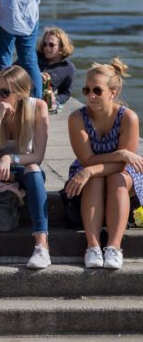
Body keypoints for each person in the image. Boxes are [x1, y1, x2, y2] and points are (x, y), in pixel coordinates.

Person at [66, 59, 143, 270]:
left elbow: (121, 166)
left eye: (97, 91)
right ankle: (92, 246)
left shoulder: (128, 118)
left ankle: (114, 247)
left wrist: (91, 170)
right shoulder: (76, 118)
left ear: (113, 92)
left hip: (122, 173)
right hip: (87, 169)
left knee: (115, 178)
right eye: (86, 90)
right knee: (95, 180)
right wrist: (118, 154)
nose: (90, 96)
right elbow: (86, 160)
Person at [0, 65, 50, 269]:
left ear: (20, 94)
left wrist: (10, 159)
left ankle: (42, 246)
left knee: (33, 169)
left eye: (5, 92)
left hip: (22, 168)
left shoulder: (39, 107)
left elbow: (38, 156)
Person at [37, 27, 76, 106]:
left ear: (61, 46)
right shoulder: (33, 58)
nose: (47, 48)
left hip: (41, 103)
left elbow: (65, 94)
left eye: (51, 45)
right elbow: (13, 71)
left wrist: (54, 98)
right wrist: (35, 75)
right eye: (45, 44)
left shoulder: (68, 68)